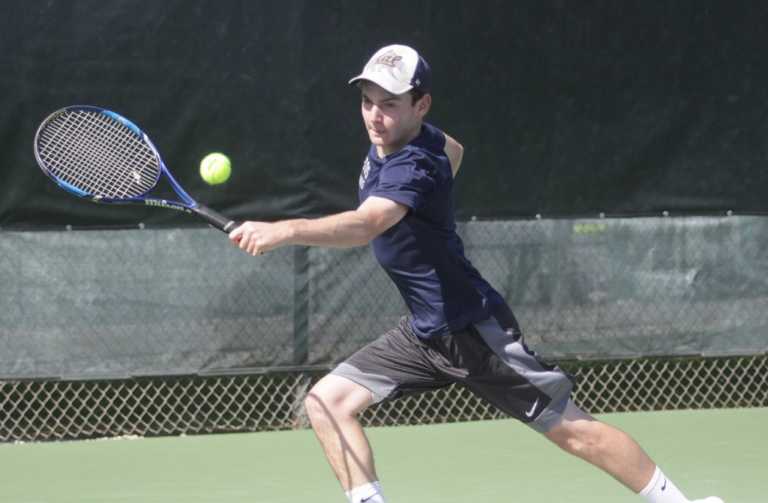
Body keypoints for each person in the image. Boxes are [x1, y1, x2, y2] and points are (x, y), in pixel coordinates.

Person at [229, 44, 723, 503]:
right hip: (425, 331)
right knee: (327, 402)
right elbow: (455, 150)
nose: (375, 117)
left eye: (390, 105)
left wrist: (282, 230)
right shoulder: (414, 141)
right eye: (368, 102)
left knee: (572, 430)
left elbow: (368, 225)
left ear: (421, 105)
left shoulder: (412, 166)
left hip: (472, 329)